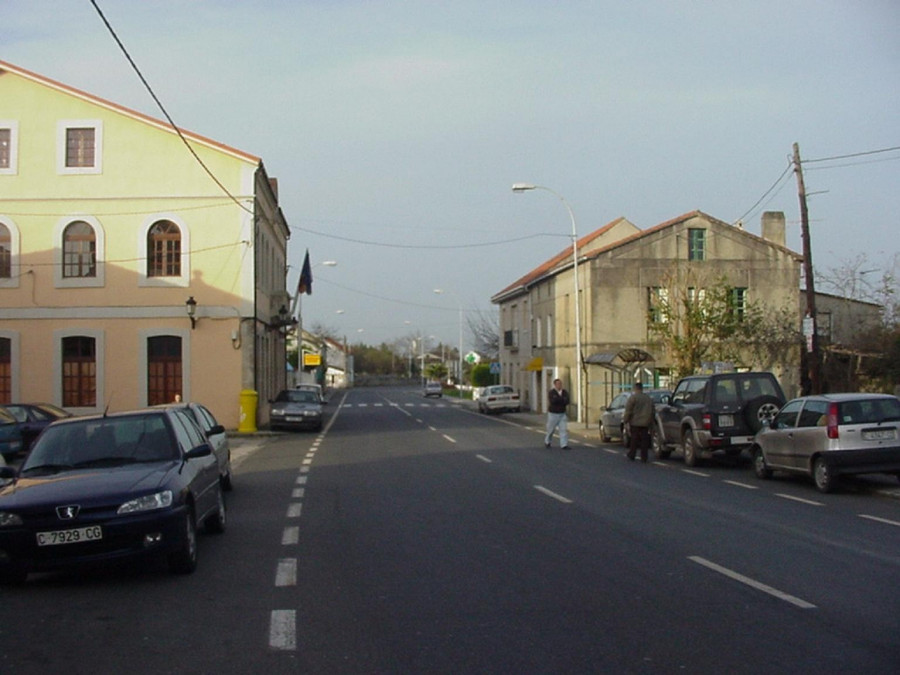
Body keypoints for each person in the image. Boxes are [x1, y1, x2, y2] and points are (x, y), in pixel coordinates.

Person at [623, 381, 654, 462]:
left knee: (634, 439)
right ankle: (644, 456)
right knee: (644, 439)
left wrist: (625, 420)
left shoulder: (633, 398)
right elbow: (652, 410)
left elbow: (628, 410)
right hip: (645, 422)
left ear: (635, 388)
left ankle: (632, 454)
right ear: (642, 388)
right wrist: (651, 421)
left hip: (635, 422)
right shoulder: (648, 398)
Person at [544, 378, 570, 450]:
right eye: (558, 384)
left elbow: (567, 401)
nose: (559, 385)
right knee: (551, 429)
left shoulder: (565, 392)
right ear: (555, 385)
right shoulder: (551, 392)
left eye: (560, 384)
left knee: (563, 429)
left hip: (562, 414)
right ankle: (547, 441)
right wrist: (562, 400)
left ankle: (564, 445)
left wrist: (559, 400)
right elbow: (553, 401)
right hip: (553, 414)